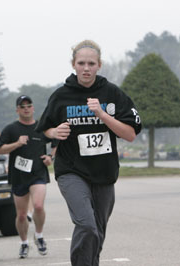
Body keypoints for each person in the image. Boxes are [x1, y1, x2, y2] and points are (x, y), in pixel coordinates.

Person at [36, 40, 142, 266]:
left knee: (98, 232)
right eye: (81, 63)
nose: (86, 68)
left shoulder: (112, 93)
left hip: (103, 172)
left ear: (99, 65)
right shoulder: (61, 96)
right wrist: (55, 131)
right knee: (86, 224)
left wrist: (103, 116)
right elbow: (44, 129)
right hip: (71, 170)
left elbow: (130, 134)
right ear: (73, 65)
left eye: (91, 63)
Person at [0, 95, 56, 259]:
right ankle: (24, 243)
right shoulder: (11, 129)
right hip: (19, 176)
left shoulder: (41, 127)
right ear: (17, 110)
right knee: (21, 215)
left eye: (29, 105)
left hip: (38, 173)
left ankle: (39, 235)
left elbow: (55, 140)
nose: (26, 108)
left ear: (33, 108)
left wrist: (51, 156)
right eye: (22, 107)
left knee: (38, 206)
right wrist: (17, 144)